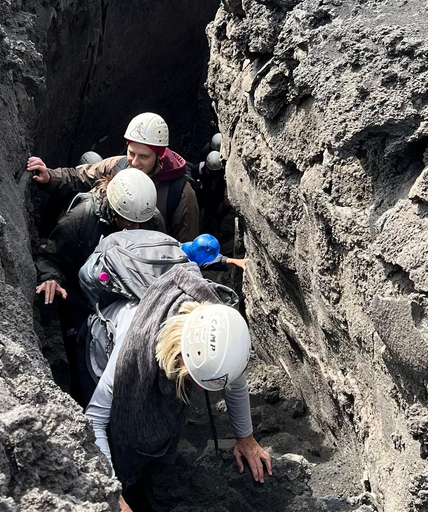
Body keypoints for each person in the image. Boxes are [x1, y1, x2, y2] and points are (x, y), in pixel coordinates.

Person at [85, 265, 271, 511]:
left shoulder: (224, 329)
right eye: (199, 381)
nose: (203, 394)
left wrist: (245, 438)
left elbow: (235, 382)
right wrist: (111, 491)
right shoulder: (128, 357)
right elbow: (93, 419)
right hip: (102, 346)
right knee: (119, 433)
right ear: (179, 358)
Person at [36, 168, 166, 406]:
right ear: (114, 209)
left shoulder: (150, 218)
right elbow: (51, 257)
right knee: (82, 363)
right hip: (80, 302)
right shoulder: (80, 220)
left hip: (123, 300)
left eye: (140, 224)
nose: (134, 229)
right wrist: (50, 277)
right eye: (128, 222)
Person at [27, 112, 200, 243]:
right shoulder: (119, 165)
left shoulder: (181, 194)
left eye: (144, 157)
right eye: (131, 153)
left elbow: (185, 246)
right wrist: (50, 176)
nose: (135, 162)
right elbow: (81, 177)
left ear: (159, 154)